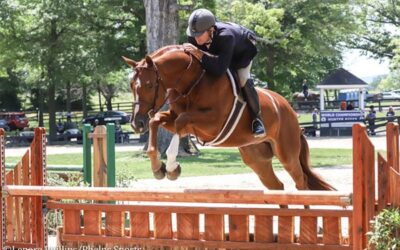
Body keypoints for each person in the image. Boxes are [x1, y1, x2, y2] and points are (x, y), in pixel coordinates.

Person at [185, 8, 265, 137]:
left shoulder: (225, 36)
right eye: (194, 34)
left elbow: (219, 69)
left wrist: (200, 54)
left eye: (200, 34)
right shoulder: (193, 37)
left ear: (210, 30)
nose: (196, 38)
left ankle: (257, 119)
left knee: (243, 79)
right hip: (220, 53)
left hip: (241, 53)